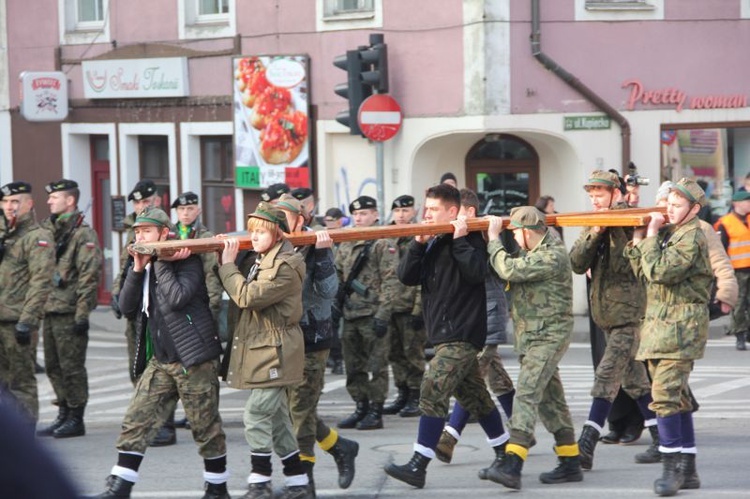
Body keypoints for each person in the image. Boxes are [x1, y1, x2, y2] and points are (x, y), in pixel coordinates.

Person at [94, 207, 228, 499]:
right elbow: (128, 308)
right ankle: (120, 486)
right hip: (162, 359)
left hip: (193, 358)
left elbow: (178, 298)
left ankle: (217, 488)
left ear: (164, 234)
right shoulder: (143, 263)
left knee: (205, 427)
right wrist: (138, 269)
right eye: (138, 232)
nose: (141, 237)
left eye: (147, 232)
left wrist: (162, 264)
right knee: (136, 419)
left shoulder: (187, 260)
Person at [384, 184, 509, 490]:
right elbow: (406, 276)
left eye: (433, 209)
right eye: (426, 209)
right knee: (476, 399)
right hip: (441, 334)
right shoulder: (432, 241)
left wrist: (459, 238)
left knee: (432, 387)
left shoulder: (471, 240)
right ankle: (507, 455)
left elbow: (477, 272)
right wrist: (417, 243)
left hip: (463, 333)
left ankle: (419, 463)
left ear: (452, 212)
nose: (426, 214)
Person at [484, 206, 582, 490]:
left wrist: (493, 239)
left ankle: (512, 464)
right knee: (552, 400)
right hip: (533, 337)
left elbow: (507, 269)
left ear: (528, 231)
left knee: (525, 393)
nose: (513, 238)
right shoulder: (533, 251)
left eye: (515, 233)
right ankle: (570, 460)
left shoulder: (551, 255)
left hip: (549, 337)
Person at [624, 178, 711, 496]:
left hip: (680, 328)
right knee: (679, 399)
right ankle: (688, 469)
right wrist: (637, 240)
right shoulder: (674, 235)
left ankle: (670, 469)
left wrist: (649, 236)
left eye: (676, 206)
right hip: (661, 328)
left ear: (694, 209)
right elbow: (644, 272)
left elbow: (661, 272)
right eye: (668, 205)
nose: (669, 211)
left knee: (662, 398)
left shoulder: (691, 237)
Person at [218, 202, 310, 499]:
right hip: (266, 347)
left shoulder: (285, 265)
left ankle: (260, 481)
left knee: (256, 413)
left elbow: (247, 296)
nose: (254, 237)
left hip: (278, 350)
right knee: (280, 420)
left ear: (278, 234)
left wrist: (228, 265)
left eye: (261, 231)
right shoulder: (263, 258)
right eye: (252, 231)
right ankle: (298, 483)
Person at [568, 170, 657, 471]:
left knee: (606, 377)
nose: (595, 200)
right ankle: (662, 438)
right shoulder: (594, 223)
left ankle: (586, 443)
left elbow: (637, 259)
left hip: (629, 316)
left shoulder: (628, 222)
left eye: (600, 194)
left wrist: (614, 227)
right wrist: (595, 231)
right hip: (607, 317)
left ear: (615, 194)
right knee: (635, 381)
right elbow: (577, 263)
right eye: (591, 194)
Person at [276, 194, 360, 496]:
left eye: (284, 217)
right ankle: (340, 447)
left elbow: (328, 290)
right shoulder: (274, 246)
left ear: (301, 220)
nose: (279, 223)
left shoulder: (316, 244)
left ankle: (303, 481)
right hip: (282, 339)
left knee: (299, 409)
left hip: (312, 338)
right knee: (292, 410)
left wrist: (324, 254)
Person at [435, 188, 515, 464]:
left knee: (470, 379)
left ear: (469, 212)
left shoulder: (484, 233)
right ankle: (520, 428)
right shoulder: (464, 234)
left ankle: (449, 436)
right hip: (474, 315)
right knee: (494, 376)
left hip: (487, 313)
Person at [37, 179, 102, 439]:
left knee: (72, 366)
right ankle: (63, 411)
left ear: (70, 200)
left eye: (55, 197)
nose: (49, 201)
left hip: (69, 311)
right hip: (50, 309)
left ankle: (76, 416)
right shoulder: (50, 229)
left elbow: (89, 276)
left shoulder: (82, 234)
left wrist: (83, 313)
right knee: (53, 366)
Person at [334, 195, 399, 431]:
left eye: (364, 214)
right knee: (353, 366)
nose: (359, 218)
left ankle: (375, 411)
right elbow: (338, 276)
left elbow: (392, 280)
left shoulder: (382, 242)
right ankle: (360, 406)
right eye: (356, 214)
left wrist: (384, 313)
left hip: (373, 313)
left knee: (377, 366)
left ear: (375, 215)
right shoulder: (346, 241)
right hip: (351, 314)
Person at [0, 181, 55, 425]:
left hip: (17, 322)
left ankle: (25, 444)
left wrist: (28, 321)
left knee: (21, 384)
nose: (9, 207)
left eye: (15, 202)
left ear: (29, 204)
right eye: (5, 202)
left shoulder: (38, 237)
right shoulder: (4, 235)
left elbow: (40, 282)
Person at [170, 191, 223, 432]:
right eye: (182, 210)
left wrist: (212, 308)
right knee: (181, 365)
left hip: (200, 307)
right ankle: (191, 411)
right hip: (178, 307)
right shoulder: (169, 235)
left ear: (198, 210)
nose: (185, 213)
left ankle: (208, 414)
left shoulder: (205, 237)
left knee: (205, 365)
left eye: (190, 209)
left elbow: (212, 276)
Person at [382, 195, 426, 419]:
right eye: (397, 211)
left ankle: (416, 395)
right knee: (394, 354)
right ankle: (402, 393)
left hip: (410, 306)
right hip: (390, 306)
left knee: (413, 354)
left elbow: (423, 276)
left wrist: (419, 308)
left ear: (414, 211)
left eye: (406, 211)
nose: (401, 215)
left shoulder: (419, 237)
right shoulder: (385, 237)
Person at [111, 179, 159, 383]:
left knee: (156, 366)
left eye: (146, 202)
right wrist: (117, 292)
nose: (141, 207)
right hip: (133, 306)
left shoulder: (162, 230)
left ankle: (160, 414)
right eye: (137, 203)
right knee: (136, 364)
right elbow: (125, 266)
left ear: (156, 201)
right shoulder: (133, 230)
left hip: (153, 307)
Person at [714, 190, 750, 350]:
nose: (749, 204)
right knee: (739, 303)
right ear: (736, 203)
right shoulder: (725, 222)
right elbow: (720, 250)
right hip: (736, 270)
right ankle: (740, 335)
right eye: (746, 201)